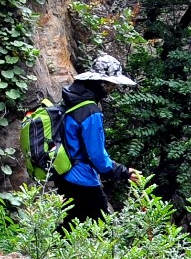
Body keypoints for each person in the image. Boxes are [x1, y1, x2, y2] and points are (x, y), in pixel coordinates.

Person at [56, 53, 135, 227]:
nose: (113, 89)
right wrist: (124, 172)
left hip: (63, 174)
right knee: (101, 228)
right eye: (112, 85)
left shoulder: (72, 101)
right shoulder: (90, 111)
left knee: (72, 224)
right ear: (102, 84)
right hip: (82, 179)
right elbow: (97, 156)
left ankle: (43, 252)